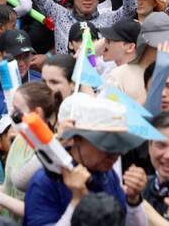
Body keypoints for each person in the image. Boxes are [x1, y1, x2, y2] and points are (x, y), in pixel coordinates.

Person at [22, 93, 147, 226]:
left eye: (118, 147)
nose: (115, 155)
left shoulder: (108, 175)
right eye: (107, 146)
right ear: (76, 139)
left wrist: (133, 200)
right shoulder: (45, 182)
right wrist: (76, 202)